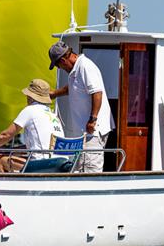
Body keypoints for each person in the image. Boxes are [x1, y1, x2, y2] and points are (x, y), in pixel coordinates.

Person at [48, 41, 115, 173]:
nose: (59, 68)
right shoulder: (75, 70)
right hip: (85, 133)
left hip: (92, 131)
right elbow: (72, 88)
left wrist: (92, 120)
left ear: (63, 60)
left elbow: (97, 92)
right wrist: (55, 93)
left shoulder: (85, 66)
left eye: (57, 65)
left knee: (90, 170)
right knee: (80, 168)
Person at [0, 79, 64, 173]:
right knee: (11, 158)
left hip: (44, 163)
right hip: (60, 161)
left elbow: (6, 135)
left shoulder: (30, 110)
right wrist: (8, 150)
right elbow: (37, 145)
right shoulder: (52, 114)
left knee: (2, 161)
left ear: (30, 96)